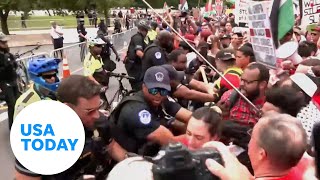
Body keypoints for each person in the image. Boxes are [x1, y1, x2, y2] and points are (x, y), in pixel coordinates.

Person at [15, 75, 127, 179]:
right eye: (90, 111)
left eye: (98, 107)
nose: (97, 115)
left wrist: (133, 163)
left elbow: (112, 147)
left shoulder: (99, 122)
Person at [110, 66, 192, 156]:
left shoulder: (161, 99)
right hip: (132, 160)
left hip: (149, 151)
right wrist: (200, 137)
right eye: (153, 90)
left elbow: (190, 117)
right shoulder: (136, 110)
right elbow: (171, 143)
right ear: (144, 86)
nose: (158, 95)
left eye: (163, 91)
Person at [280, 73, 320, 141]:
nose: (278, 92)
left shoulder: (300, 124)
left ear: (299, 95)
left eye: (285, 89)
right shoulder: (307, 104)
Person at [0, 33, 20, 130]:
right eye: (3, 42)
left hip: (13, 80)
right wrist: (5, 66)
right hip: (4, 82)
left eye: (6, 42)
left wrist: (13, 63)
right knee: (11, 104)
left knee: (18, 103)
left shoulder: (7, 53)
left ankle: (18, 122)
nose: (5, 44)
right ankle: (12, 127)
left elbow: (14, 65)